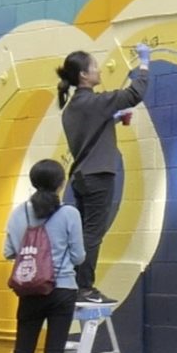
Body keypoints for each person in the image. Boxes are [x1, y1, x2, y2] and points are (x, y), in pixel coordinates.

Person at [0, 160, 88, 353]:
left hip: (30, 290)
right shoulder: (69, 213)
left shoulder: (18, 213)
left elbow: (9, 252)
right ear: (61, 184)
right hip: (62, 290)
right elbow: (79, 256)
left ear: (34, 182)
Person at [56, 43, 150, 304]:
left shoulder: (73, 107)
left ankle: (74, 284)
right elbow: (135, 93)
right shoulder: (95, 102)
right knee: (92, 233)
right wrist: (144, 63)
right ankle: (84, 288)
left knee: (83, 232)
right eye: (94, 67)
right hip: (98, 174)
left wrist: (114, 118)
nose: (99, 70)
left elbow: (89, 130)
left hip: (81, 176)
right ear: (84, 76)